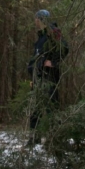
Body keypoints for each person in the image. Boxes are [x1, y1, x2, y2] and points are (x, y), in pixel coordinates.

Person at [27, 9, 68, 143]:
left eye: (37, 19)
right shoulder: (41, 37)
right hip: (37, 79)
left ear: (41, 19)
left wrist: (54, 62)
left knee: (51, 107)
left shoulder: (53, 33)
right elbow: (36, 57)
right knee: (35, 109)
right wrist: (32, 77)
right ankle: (34, 139)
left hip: (49, 78)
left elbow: (64, 48)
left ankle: (53, 139)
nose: (35, 21)